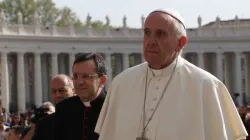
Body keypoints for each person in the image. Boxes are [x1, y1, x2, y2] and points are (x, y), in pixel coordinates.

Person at [95, 8, 248, 140]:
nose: (150, 41)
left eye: (160, 34)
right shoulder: (122, 83)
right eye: (147, 33)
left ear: (181, 42)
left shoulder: (206, 86)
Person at [54, 53, 108, 140]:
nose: (79, 82)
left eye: (86, 76)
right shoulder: (64, 108)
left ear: (102, 80)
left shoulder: (113, 107)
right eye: (75, 76)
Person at [32, 74, 75, 140]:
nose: (57, 95)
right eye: (54, 91)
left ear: (74, 91)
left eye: (62, 90)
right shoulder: (44, 124)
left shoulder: (86, 117)